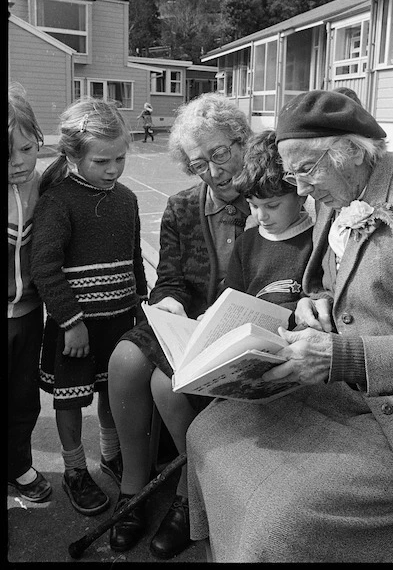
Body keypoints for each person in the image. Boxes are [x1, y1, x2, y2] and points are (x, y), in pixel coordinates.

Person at [185, 89, 393, 563]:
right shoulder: (338, 192)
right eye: (291, 172)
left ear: (352, 150)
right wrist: (318, 301)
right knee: (209, 430)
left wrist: (341, 355)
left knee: (280, 513)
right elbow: (341, 285)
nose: (299, 188)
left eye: (306, 170)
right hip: (342, 391)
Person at [107, 92, 252, 557]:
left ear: (241, 139)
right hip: (188, 318)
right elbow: (169, 277)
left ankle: (190, 497)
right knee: (126, 358)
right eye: (198, 164)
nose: (212, 171)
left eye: (220, 153)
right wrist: (168, 303)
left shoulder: (274, 198)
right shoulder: (183, 206)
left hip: (241, 324)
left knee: (165, 383)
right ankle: (133, 488)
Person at [30, 97, 148, 517]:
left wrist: (141, 305)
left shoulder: (127, 199)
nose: (113, 169)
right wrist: (71, 322)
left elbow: (134, 256)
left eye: (120, 158)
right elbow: (44, 266)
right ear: (73, 155)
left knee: (112, 392)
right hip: (74, 328)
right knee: (69, 398)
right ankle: (76, 470)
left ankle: (111, 456)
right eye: (102, 161)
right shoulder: (58, 201)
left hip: (119, 321)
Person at [8, 84, 52, 504]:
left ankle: (17, 463)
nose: (18, 162)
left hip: (28, 314)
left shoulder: (44, 184)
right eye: (7, 155)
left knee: (23, 396)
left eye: (26, 148)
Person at [224, 128, 315, 314]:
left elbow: (316, 299)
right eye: (253, 206)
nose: (261, 216)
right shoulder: (246, 242)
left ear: (301, 195)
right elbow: (230, 296)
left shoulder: (316, 242)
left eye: (272, 206)